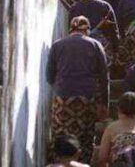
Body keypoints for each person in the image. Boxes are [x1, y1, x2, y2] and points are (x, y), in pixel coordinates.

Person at [46, 16, 109, 163]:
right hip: (87, 98)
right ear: (87, 30)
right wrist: (104, 103)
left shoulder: (57, 45)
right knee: (86, 138)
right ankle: (83, 163)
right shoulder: (95, 45)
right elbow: (104, 78)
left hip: (63, 99)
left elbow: (49, 77)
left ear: (70, 30)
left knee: (61, 136)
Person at [69, 0, 120, 70]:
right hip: (103, 47)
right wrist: (116, 50)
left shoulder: (74, 8)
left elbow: (71, 32)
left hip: (81, 48)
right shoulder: (105, 6)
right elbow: (114, 30)